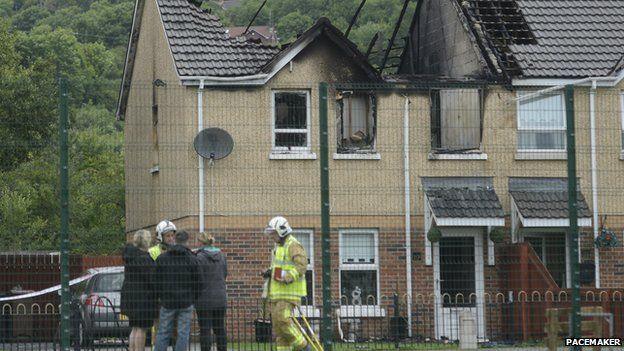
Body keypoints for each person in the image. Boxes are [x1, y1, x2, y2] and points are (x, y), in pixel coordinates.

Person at [263, 216, 311, 351]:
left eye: (273, 233)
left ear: (281, 231)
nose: (272, 236)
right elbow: (279, 269)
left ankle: (304, 347)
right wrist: (270, 272)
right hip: (277, 294)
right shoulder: (279, 247)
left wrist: (288, 277)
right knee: (279, 329)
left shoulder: (293, 245)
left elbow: (302, 265)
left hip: (289, 292)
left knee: (283, 320)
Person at [153, 230, 201, 351]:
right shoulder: (192, 259)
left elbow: (155, 281)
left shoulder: (162, 258)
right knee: (183, 333)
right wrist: (193, 298)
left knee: (163, 332)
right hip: (186, 302)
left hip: (167, 302)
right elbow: (199, 282)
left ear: (175, 239)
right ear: (187, 241)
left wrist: (161, 296)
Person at [120, 230, 158, 351]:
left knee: (135, 328)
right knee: (141, 329)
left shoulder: (131, 256)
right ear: (146, 241)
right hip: (143, 299)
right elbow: (152, 280)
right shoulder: (144, 259)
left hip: (130, 297)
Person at [195, 232, 228, 351]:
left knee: (205, 329)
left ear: (200, 242)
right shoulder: (222, 256)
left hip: (204, 299)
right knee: (220, 328)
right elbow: (225, 274)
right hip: (220, 298)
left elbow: (197, 278)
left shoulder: (199, 257)